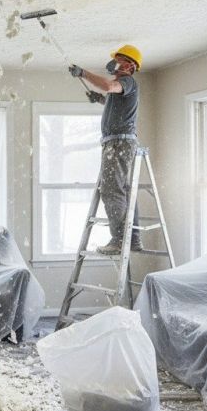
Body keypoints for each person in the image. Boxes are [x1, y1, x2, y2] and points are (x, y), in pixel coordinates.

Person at [68, 44, 143, 255]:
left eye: (118, 59)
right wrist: (100, 99)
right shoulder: (124, 87)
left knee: (112, 190)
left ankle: (119, 240)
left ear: (129, 65)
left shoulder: (127, 81)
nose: (113, 63)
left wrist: (83, 73)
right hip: (119, 141)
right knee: (124, 191)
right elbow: (115, 100)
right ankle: (133, 237)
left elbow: (109, 87)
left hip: (118, 143)